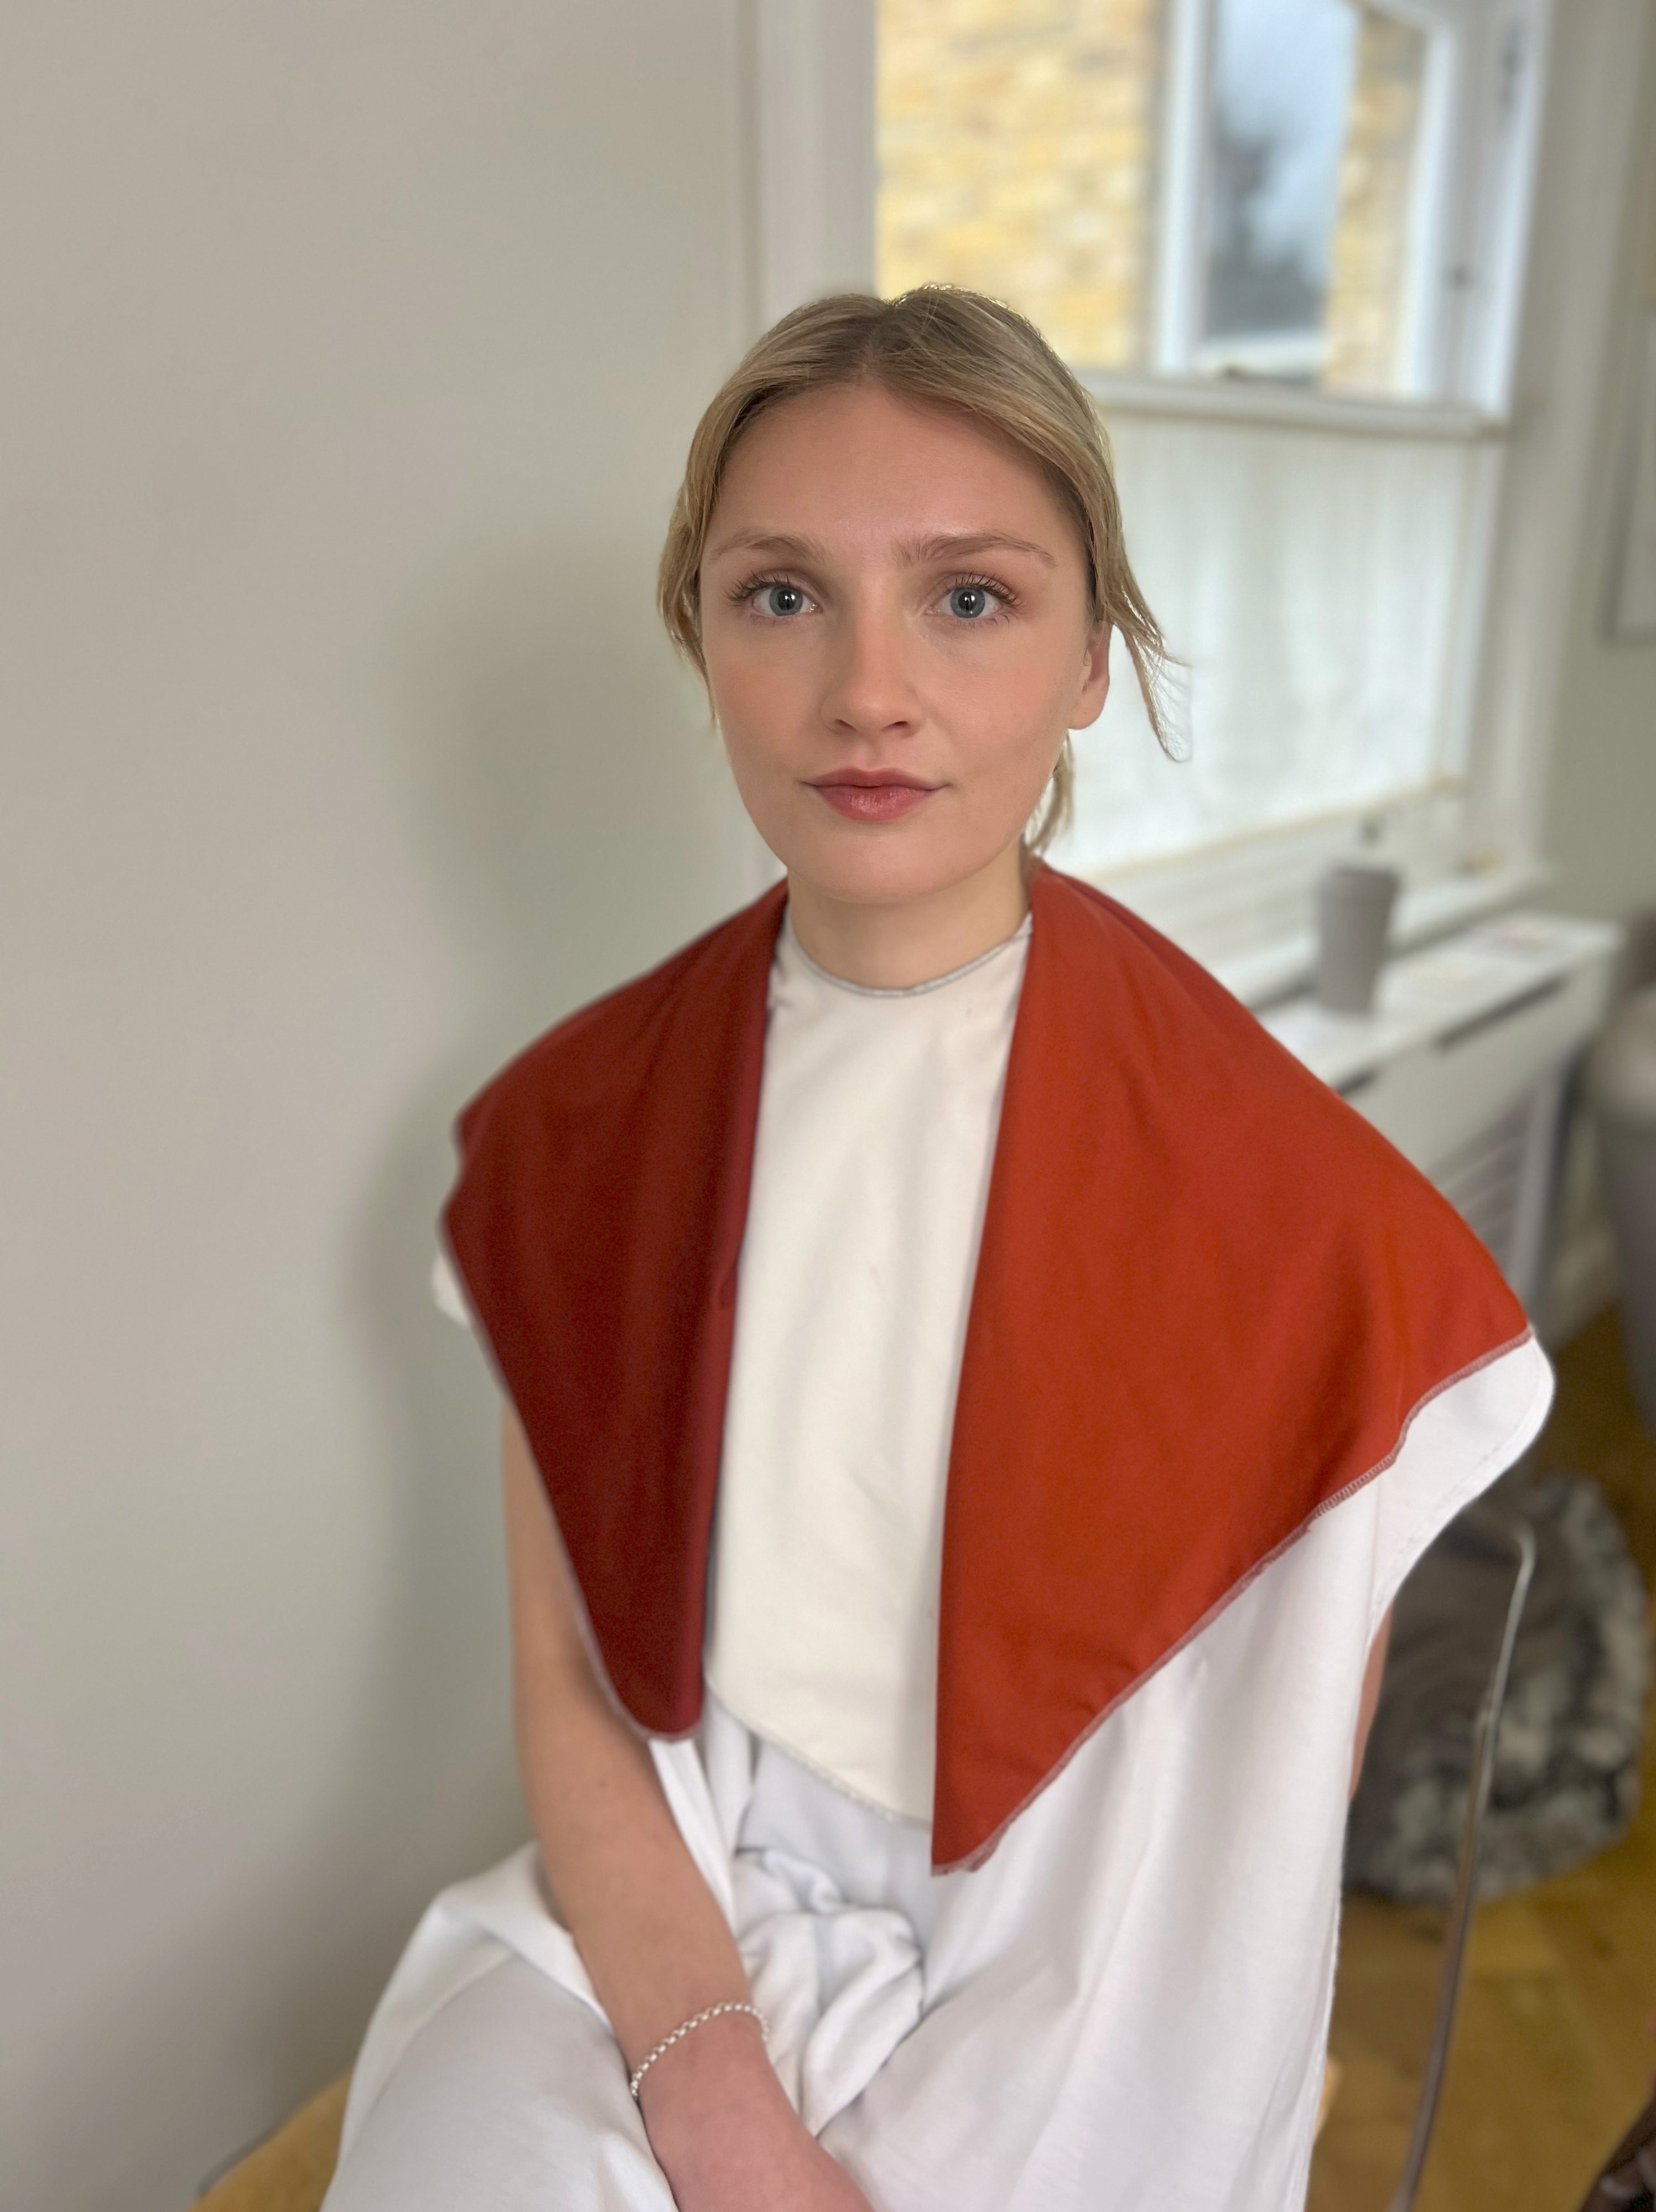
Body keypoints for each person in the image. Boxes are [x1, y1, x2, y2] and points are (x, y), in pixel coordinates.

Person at [321, 288, 1553, 2212]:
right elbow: (570, 1675)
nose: (867, 692)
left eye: (968, 597)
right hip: (667, 1902)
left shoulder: (1298, 1212)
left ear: (1090, 658)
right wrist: (712, 2093)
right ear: (702, 636)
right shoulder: (576, 1137)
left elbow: (1274, 1769)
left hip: (1094, 1956)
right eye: (782, 595)